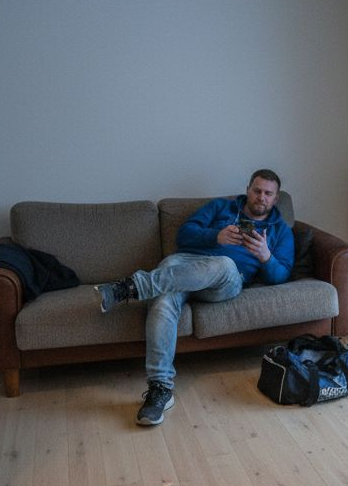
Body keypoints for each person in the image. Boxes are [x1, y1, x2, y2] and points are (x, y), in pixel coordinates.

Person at [97, 169, 295, 425]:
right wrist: (215, 236)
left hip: (226, 279)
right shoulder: (220, 207)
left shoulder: (280, 230)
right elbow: (184, 234)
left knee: (223, 264)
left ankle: (132, 287)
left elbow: (281, 275)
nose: (261, 197)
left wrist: (265, 257)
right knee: (163, 300)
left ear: (276, 198)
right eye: (257, 190)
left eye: (268, 193)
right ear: (247, 189)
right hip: (185, 264)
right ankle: (160, 389)